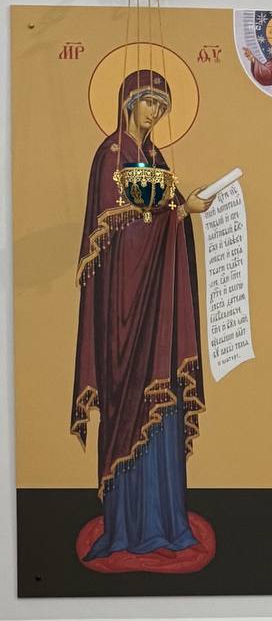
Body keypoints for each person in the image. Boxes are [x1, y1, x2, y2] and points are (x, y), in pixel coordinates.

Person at [72, 68, 215, 569]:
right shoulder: (111, 156)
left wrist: (179, 213)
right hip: (124, 314)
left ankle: (165, 522)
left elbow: (156, 223)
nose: (155, 113)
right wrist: (181, 213)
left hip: (157, 315)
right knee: (131, 405)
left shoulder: (153, 158)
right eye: (150, 102)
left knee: (163, 404)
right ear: (129, 102)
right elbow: (122, 237)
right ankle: (128, 527)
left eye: (162, 105)